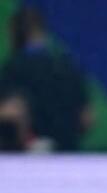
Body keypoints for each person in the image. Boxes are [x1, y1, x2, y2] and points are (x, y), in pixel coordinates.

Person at [0, 5, 90, 151]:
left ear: (13, 32)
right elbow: (86, 119)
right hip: (68, 153)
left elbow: (10, 113)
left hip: (28, 154)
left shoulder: (13, 68)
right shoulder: (67, 65)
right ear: (42, 31)